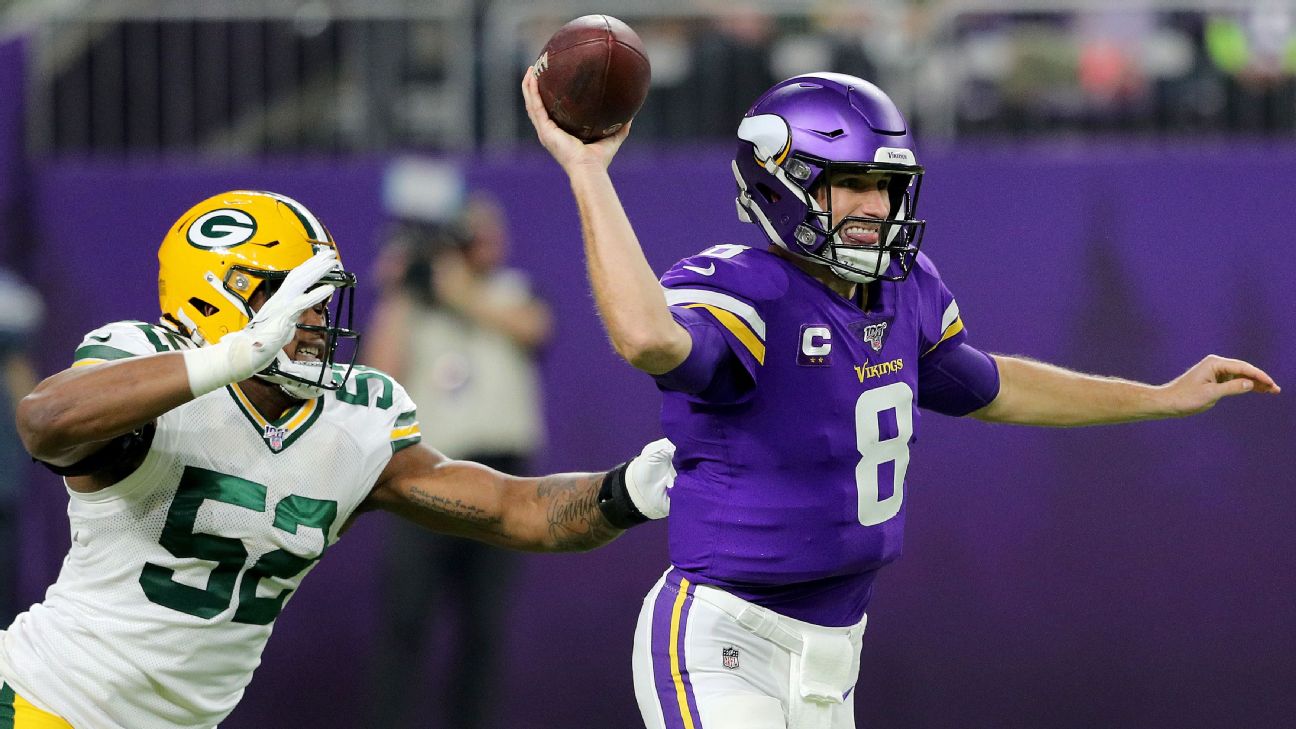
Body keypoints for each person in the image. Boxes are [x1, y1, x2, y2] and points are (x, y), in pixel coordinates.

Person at [521, 69, 1281, 729]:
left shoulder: (902, 291)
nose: (875, 207)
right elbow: (648, 340)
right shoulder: (746, 287)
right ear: (780, 178)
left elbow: (993, 385)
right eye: (851, 182)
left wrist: (1157, 396)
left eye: (884, 186)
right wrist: (588, 173)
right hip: (726, 638)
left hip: (836, 649)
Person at [0, 190, 674, 729]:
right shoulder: (145, 362)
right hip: (46, 701)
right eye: (289, 297)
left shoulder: (354, 417)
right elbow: (45, 421)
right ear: (210, 297)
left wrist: (630, 490)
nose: (318, 318)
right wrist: (235, 355)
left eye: (321, 297)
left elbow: (513, 509)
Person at [364, 193, 552, 729]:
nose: (488, 246)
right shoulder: (416, 303)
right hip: (427, 476)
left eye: (493, 235)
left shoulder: (514, 289)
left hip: (505, 478)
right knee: (406, 617)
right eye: (474, 237)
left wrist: (456, 289)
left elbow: (534, 328)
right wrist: (401, 289)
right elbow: (380, 373)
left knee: (484, 625)